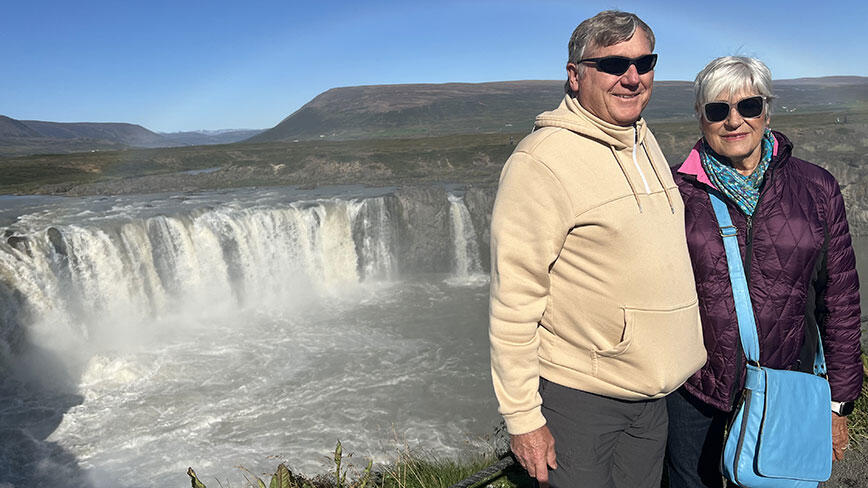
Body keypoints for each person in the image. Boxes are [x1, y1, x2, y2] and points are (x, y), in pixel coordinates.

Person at [488, 10, 707, 487]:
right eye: (611, 65)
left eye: (644, 62)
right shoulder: (540, 163)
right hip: (582, 400)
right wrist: (524, 418)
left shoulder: (642, 140)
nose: (631, 77)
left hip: (654, 395)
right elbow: (514, 302)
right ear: (575, 75)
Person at [667, 56, 863, 488]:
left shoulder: (816, 188)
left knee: (773, 479)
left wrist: (839, 403)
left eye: (748, 106)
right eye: (718, 110)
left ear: (767, 111)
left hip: (785, 379)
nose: (734, 120)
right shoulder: (674, 192)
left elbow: (840, 299)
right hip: (693, 384)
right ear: (700, 118)